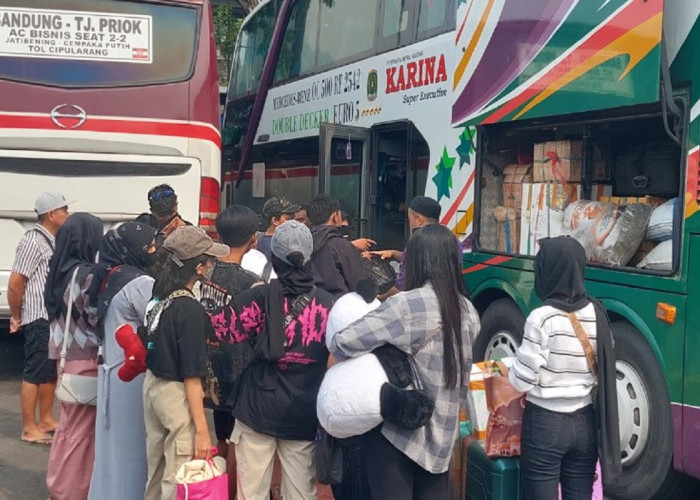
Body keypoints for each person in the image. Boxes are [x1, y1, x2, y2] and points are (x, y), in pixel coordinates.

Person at [328, 224, 480, 499]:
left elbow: (342, 342)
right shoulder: (469, 310)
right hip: (444, 440)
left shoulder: (407, 305)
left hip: (399, 438)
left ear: (418, 262)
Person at [213, 220, 335, 500]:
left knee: (251, 493)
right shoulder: (329, 305)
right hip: (303, 413)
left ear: (275, 259)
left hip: (257, 407)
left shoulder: (258, 297)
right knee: (301, 494)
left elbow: (221, 330)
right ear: (309, 258)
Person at [508, 236, 621, 499]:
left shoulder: (542, 317)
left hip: (545, 424)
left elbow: (521, 382)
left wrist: (512, 368)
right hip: (585, 423)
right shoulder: (598, 312)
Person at [142, 226, 229, 500]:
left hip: (153, 386)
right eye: (209, 259)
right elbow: (193, 376)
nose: (213, 264)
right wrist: (202, 431)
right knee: (178, 477)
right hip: (177, 394)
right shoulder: (189, 308)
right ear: (200, 268)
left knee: (156, 471)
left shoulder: (161, 295)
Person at [88, 221, 159, 500]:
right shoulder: (140, 282)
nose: (154, 251)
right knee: (133, 448)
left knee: (110, 449)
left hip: (109, 370)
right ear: (133, 249)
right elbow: (156, 322)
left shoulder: (109, 274)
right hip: (132, 373)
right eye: (150, 246)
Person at [199, 205, 264, 499]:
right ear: (253, 239)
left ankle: (214, 489)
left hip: (208, 367)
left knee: (221, 437)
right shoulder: (250, 282)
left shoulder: (203, 271)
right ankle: (230, 492)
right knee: (238, 443)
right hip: (238, 373)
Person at [44, 213, 104, 500]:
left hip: (64, 355)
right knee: (82, 431)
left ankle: (58, 485)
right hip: (86, 358)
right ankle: (70, 490)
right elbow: (94, 317)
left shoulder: (58, 269)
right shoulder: (87, 274)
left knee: (68, 425)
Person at [8, 191, 71, 445]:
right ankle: (29, 427)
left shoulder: (52, 240)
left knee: (49, 371)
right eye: (64, 210)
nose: (68, 214)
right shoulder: (32, 241)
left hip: (51, 315)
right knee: (35, 372)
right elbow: (16, 282)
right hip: (37, 316)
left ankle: (45, 419)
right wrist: (16, 315)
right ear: (51, 214)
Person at [371, 195, 460, 298]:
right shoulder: (453, 241)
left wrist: (379, 298)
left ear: (419, 219)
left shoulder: (418, 242)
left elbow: (401, 287)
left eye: (409, 220)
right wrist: (394, 254)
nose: (410, 223)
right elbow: (427, 260)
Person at [307, 194, 371, 299]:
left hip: (310, 308)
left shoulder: (301, 243)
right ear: (336, 216)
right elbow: (360, 287)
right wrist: (364, 261)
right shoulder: (341, 246)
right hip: (338, 307)